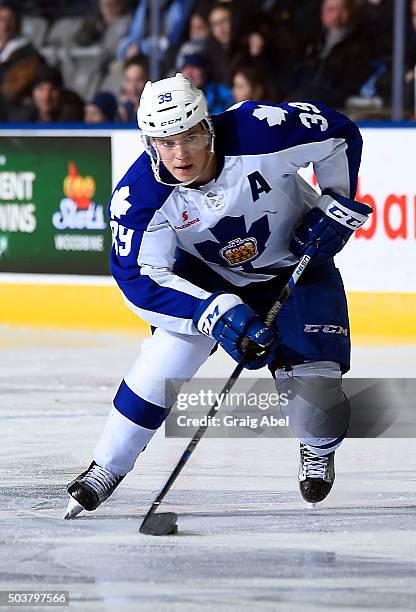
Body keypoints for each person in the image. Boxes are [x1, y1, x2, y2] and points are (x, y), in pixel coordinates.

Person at [64, 74, 372, 519]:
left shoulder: (261, 129)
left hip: (296, 268)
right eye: (165, 142)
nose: (179, 154)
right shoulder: (139, 197)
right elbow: (138, 277)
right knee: (164, 360)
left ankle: (317, 447)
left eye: (189, 136)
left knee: (319, 408)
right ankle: (106, 467)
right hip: (206, 280)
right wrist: (209, 310)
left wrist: (336, 203)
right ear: (150, 142)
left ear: (208, 125)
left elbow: (339, 133)